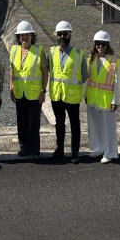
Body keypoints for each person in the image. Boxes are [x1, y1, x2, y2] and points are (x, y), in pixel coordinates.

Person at [48, 21, 88, 163]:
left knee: (74, 125)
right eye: (59, 34)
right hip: (56, 95)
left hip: (72, 96)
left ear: (70, 34)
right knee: (59, 123)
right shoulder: (51, 52)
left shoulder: (78, 54)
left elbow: (84, 76)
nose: (62, 36)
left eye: (65, 33)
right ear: (56, 36)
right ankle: (59, 149)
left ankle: (75, 152)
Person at [9, 21, 49, 161]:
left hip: (34, 93)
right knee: (22, 121)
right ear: (18, 37)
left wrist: (43, 91)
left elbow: (45, 72)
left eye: (27, 35)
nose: (24, 38)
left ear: (32, 36)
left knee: (33, 122)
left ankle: (34, 149)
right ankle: (24, 147)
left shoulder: (38, 51)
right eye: (21, 35)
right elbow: (12, 70)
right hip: (20, 93)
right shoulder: (14, 50)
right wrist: (11, 87)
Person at [86, 31, 120, 163]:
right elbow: (88, 79)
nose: (100, 46)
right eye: (97, 44)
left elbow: (117, 83)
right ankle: (98, 148)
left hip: (106, 99)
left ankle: (109, 152)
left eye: (103, 44)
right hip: (92, 97)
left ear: (107, 45)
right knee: (94, 125)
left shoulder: (114, 61)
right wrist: (85, 95)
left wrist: (115, 100)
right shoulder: (91, 59)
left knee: (108, 128)